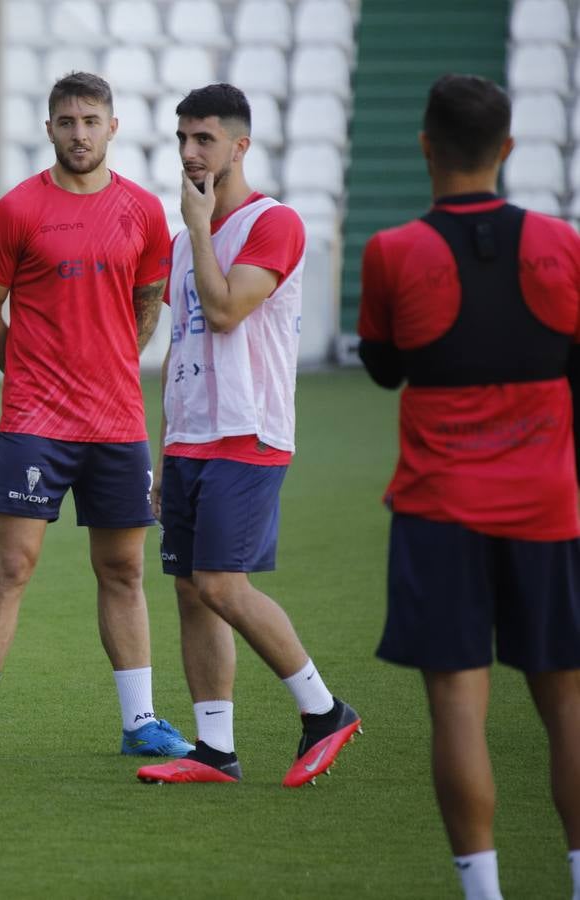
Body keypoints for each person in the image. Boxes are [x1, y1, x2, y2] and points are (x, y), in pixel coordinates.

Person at [357, 74, 580, 900]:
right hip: (548, 506)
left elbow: (383, 368)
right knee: (565, 700)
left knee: (457, 699)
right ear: (509, 149)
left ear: (425, 147)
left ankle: (482, 892)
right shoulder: (565, 245)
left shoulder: (392, 252)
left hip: (439, 508)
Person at [0, 71, 193, 766]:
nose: (79, 133)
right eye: (67, 121)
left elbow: (147, 305)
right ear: (49, 128)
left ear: (113, 128)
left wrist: (106, 363)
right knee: (10, 567)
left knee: (124, 571)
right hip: (35, 422)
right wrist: (33, 373)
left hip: (116, 424)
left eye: (91, 121)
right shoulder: (16, 211)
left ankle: (139, 719)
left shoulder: (141, 212)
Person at [136, 83, 361, 788]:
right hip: (192, 440)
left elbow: (228, 308)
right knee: (190, 590)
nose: (189, 152)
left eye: (204, 139)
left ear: (241, 146)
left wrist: (200, 228)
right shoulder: (181, 239)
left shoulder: (274, 223)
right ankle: (215, 751)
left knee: (222, 585)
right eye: (181, 139)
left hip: (249, 432)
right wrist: (164, 448)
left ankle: (324, 711)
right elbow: (181, 347)